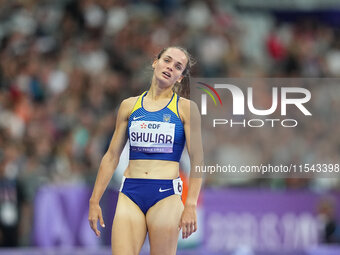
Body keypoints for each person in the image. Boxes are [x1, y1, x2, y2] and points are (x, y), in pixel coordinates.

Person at [88, 46, 203, 255]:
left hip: (166, 196)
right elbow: (112, 156)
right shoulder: (129, 106)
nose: (170, 67)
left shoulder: (185, 108)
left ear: (180, 78)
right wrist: (94, 200)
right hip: (130, 192)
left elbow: (198, 161)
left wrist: (191, 205)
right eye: (167, 60)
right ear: (155, 62)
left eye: (178, 67)